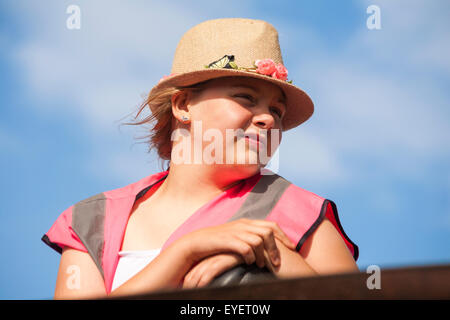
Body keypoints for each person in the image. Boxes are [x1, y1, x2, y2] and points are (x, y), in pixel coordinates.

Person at [42, 18, 359, 299]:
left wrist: (279, 259)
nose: (268, 119)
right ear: (182, 105)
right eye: (245, 97)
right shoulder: (92, 220)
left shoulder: (299, 211)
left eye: (277, 110)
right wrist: (185, 252)